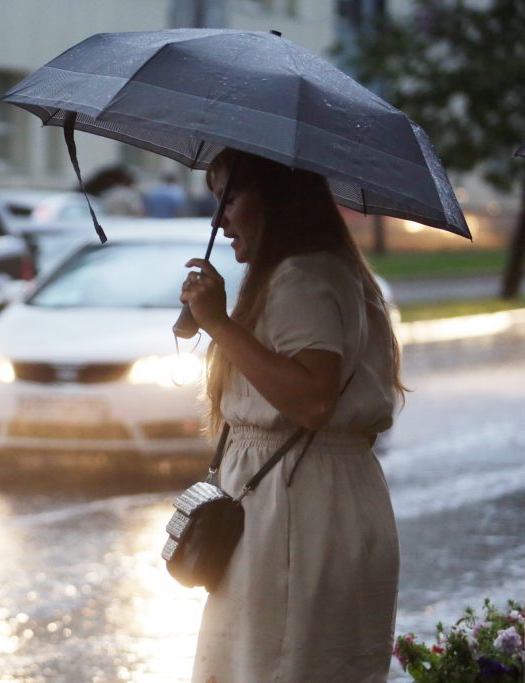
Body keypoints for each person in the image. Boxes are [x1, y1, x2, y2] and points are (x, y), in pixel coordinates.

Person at [180, 148, 403, 682]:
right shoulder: (320, 271)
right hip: (312, 500)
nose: (219, 219)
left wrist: (219, 324)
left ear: (276, 198)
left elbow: (313, 399)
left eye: (230, 198)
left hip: (294, 511)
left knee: (275, 667)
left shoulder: (303, 277)